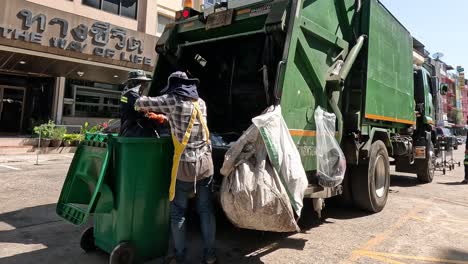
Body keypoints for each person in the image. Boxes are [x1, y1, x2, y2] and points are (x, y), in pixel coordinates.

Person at [135, 71, 216, 264]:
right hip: (206, 164)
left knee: (178, 212)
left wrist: (133, 91)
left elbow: (140, 104)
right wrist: (164, 118)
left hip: (185, 167)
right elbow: (185, 120)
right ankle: (210, 255)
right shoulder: (200, 102)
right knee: (205, 210)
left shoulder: (172, 100)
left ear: (175, 86)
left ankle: (180, 255)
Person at [119, 70, 166, 137]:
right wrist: (157, 117)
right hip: (135, 132)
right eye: (144, 83)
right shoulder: (132, 95)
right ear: (138, 83)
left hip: (129, 129)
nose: (145, 86)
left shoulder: (127, 93)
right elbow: (142, 110)